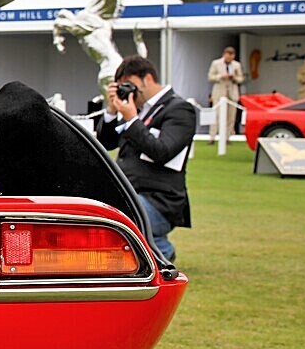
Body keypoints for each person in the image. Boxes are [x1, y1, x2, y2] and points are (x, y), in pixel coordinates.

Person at [97, 55, 195, 262]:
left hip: (159, 200)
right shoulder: (137, 109)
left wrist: (132, 119)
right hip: (130, 193)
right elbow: (106, 143)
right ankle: (152, 247)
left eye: (130, 85)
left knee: (118, 216)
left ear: (147, 78)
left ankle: (161, 250)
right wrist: (112, 111)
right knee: (101, 212)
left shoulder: (179, 110)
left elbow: (162, 151)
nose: (129, 92)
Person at [207, 46, 244, 143]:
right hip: (219, 92)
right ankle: (212, 137)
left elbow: (241, 79)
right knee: (216, 115)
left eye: (231, 56)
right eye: (228, 56)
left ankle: (227, 137)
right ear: (224, 55)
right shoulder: (216, 63)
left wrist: (234, 77)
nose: (229, 58)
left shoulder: (237, 65)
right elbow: (210, 77)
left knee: (231, 116)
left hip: (232, 92)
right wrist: (220, 76)